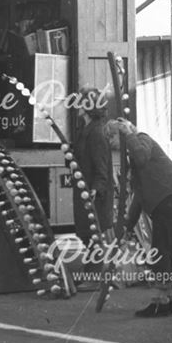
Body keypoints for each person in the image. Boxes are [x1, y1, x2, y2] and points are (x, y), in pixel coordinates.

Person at [106, 118, 172, 318]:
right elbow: (140, 195)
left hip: (168, 199)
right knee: (165, 249)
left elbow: (142, 157)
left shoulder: (141, 140)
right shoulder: (133, 154)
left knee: (161, 250)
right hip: (171, 197)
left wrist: (130, 135)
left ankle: (161, 300)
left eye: (111, 136)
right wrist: (128, 225)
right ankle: (166, 298)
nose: (109, 142)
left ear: (123, 132)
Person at [72, 86, 114, 248]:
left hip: (93, 199)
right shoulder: (86, 129)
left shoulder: (96, 133)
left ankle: (96, 273)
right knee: (91, 244)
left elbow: (101, 168)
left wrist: (96, 189)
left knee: (94, 246)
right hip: (86, 195)